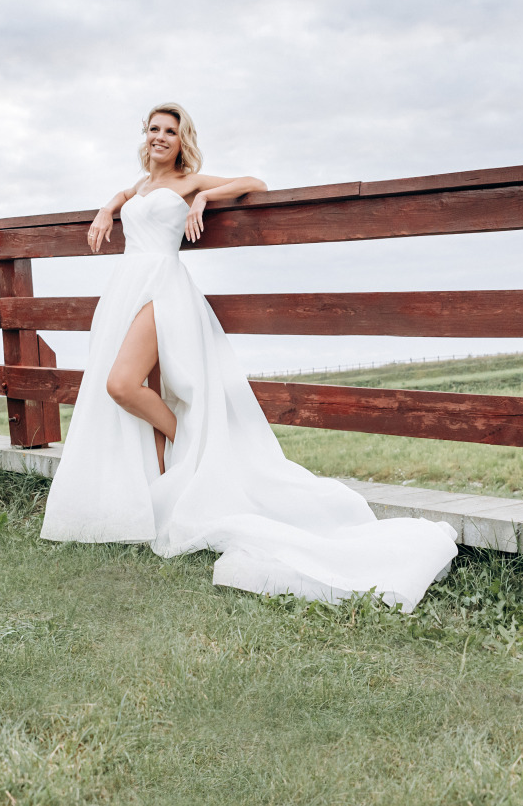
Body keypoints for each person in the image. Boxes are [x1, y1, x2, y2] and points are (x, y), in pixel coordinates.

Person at [39, 103, 458, 611]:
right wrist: (108, 208)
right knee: (138, 391)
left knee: (121, 385)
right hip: (126, 286)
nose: (161, 137)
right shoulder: (139, 186)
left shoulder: (188, 180)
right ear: (144, 135)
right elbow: (127, 194)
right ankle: (156, 495)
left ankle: (193, 440)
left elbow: (254, 182)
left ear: (181, 141)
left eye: (171, 132)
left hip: (162, 289)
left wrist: (203, 199)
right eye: (154, 129)